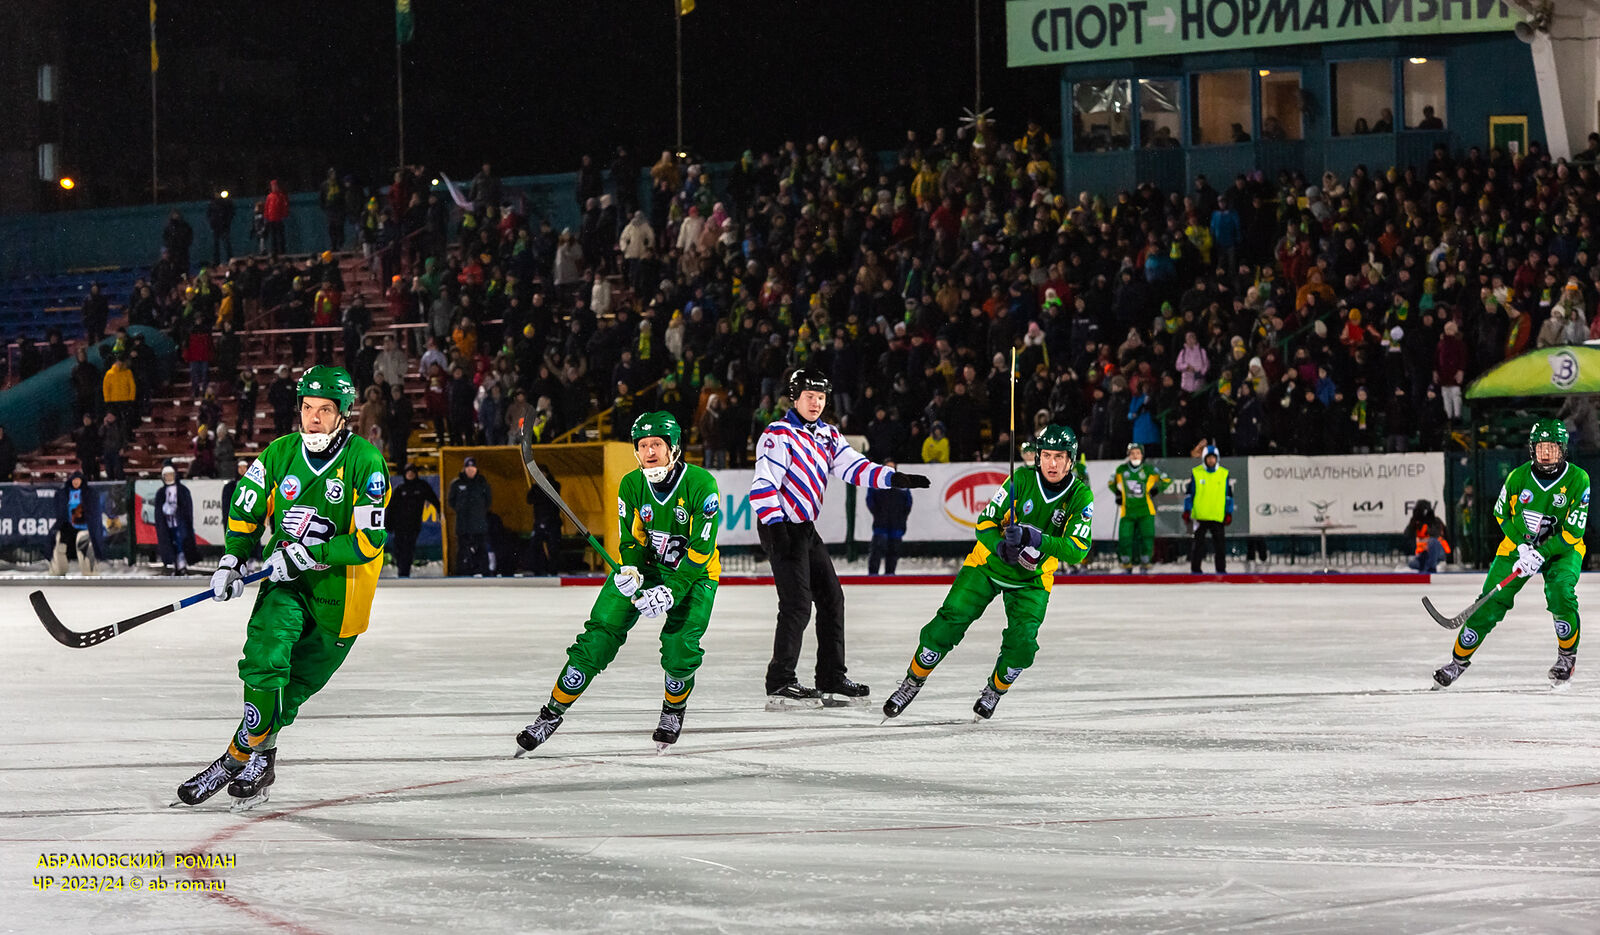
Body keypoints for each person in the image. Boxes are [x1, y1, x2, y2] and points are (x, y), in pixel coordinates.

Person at [176, 365, 390, 809]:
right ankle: (245, 760)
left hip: (340, 601)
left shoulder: (366, 462)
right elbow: (246, 507)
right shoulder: (279, 452)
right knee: (264, 660)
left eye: (325, 409)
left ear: (343, 413)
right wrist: (233, 559)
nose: (313, 418)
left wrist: (310, 554)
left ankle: (249, 756)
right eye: (307, 407)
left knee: (287, 696)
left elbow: (369, 540)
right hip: (285, 585)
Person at [514, 412, 722, 754]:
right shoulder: (631, 484)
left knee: (680, 646)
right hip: (648, 568)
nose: (650, 452)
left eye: (657, 444)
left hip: (694, 575)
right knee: (599, 634)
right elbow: (631, 541)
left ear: (673, 447)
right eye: (643, 445)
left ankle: (673, 710)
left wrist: (670, 592)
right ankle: (550, 714)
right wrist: (631, 571)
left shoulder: (702, 484)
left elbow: (700, 551)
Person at [882, 425, 1094, 721]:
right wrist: (999, 546)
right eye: (1046, 455)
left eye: (1059, 456)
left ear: (1071, 459)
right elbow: (984, 523)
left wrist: (1035, 538)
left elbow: (1077, 549)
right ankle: (913, 681)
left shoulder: (1080, 496)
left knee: (1023, 646)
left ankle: (994, 690)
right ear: (1038, 456)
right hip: (986, 565)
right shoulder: (1020, 479)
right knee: (948, 622)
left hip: (1032, 580)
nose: (1052, 463)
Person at [749, 369, 929, 709]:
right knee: (797, 605)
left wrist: (894, 478)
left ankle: (831, 676)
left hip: (804, 528)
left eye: (821, 397)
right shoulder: (778, 434)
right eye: (809, 396)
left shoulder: (828, 435)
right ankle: (780, 682)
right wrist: (775, 526)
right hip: (780, 525)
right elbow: (763, 484)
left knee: (832, 599)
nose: (816, 403)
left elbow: (855, 467)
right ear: (794, 398)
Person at [1432, 420, 1589, 690]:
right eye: (1541, 447)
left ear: (1563, 449)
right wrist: (1522, 546)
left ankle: (1566, 658)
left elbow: (1574, 531)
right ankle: (1457, 662)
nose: (1546, 453)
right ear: (1532, 449)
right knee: (1490, 602)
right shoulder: (1518, 476)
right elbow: (1501, 514)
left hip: (1563, 548)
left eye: (1552, 448)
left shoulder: (1578, 478)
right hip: (1519, 547)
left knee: (1561, 593)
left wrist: (1541, 553)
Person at [1109, 442, 1172, 573]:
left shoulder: (1149, 470)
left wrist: (1157, 489)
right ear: (1128, 455)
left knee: (1146, 537)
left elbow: (1166, 480)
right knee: (1125, 538)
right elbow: (1111, 482)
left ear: (1142, 455)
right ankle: (1126, 565)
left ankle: (1145, 563)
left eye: (1138, 453)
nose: (1135, 456)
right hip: (1127, 510)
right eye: (1132, 453)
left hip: (1145, 510)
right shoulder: (1121, 469)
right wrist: (1118, 493)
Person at [1184, 444, 1232, 573]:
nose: (1211, 460)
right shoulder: (1196, 472)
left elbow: (1228, 496)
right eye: (1208, 458)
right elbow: (1189, 494)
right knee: (1198, 545)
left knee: (1220, 546)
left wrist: (1228, 512)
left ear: (1217, 458)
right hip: (1200, 516)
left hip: (1217, 516)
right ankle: (1195, 570)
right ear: (1204, 458)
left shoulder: (1224, 473)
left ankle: (1221, 570)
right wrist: (1187, 510)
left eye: (1213, 458)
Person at [49, 472, 105, 577]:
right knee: (58, 540)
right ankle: (58, 570)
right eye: (74, 480)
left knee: (83, 541)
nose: (75, 482)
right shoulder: (64, 493)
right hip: (68, 525)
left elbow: (94, 513)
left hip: (85, 526)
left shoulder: (90, 493)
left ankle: (90, 571)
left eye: (78, 480)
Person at [389, 462, 439, 578]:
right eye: (408, 473)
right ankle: (401, 568)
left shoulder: (422, 486)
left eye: (412, 473)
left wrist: (440, 511)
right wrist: (388, 523)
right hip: (399, 525)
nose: (410, 475)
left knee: (408, 548)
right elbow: (391, 507)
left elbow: (434, 499)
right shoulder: (400, 488)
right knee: (398, 548)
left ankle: (404, 571)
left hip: (413, 524)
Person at [866, 459, 912, 575]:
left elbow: (908, 503)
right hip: (881, 522)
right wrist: (877, 514)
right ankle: (873, 575)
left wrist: (902, 516)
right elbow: (870, 500)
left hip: (897, 523)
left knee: (894, 550)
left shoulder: (902, 485)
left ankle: (890, 575)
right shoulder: (876, 483)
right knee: (877, 549)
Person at [448, 456, 492, 576]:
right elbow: (451, 501)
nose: (470, 470)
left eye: (472, 468)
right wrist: (460, 508)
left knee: (481, 549)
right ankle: (462, 572)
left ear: (476, 469)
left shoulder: (482, 483)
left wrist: (479, 511)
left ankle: (483, 572)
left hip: (479, 524)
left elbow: (488, 501)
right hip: (463, 524)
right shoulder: (457, 483)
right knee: (463, 550)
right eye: (468, 468)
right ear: (464, 469)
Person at [152, 462, 197, 575]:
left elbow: (187, 507)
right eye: (166, 475)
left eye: (171, 475)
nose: (169, 477)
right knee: (170, 543)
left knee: (181, 542)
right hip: (167, 523)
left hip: (180, 522)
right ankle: (173, 565)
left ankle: (182, 565)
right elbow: (158, 510)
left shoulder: (182, 490)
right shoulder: (161, 492)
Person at [1404, 499, 1451, 574]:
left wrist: (1428, 521)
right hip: (1423, 554)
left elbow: (1435, 535)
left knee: (1432, 542)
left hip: (1438, 553)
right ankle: (1426, 566)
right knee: (1412, 564)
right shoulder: (1416, 522)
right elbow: (1407, 535)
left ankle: (1431, 568)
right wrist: (1413, 521)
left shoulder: (1436, 521)